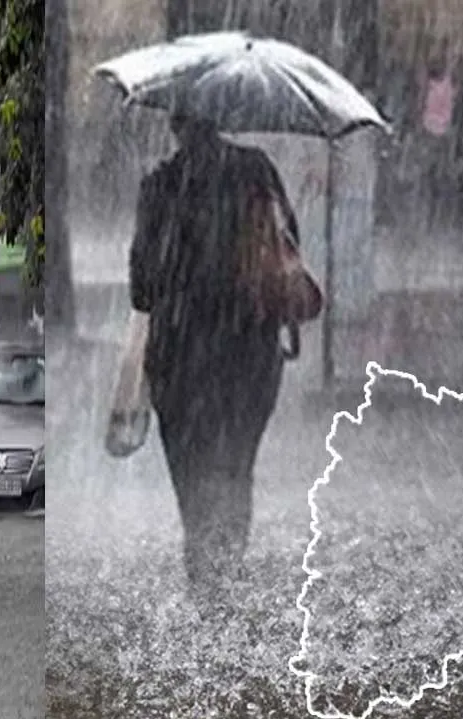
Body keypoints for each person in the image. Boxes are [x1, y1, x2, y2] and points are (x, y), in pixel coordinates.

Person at [126, 113, 300, 590]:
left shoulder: (159, 187)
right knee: (237, 464)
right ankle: (229, 559)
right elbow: (289, 249)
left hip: (179, 357)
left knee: (192, 468)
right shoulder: (257, 171)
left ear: (175, 124)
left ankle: (203, 567)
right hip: (250, 351)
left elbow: (141, 291)